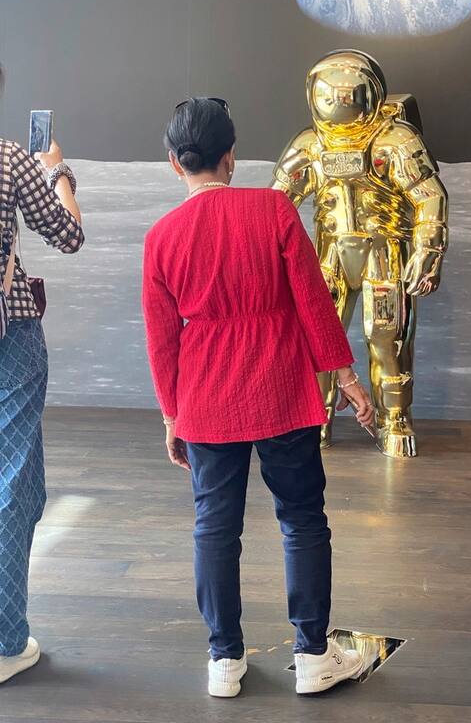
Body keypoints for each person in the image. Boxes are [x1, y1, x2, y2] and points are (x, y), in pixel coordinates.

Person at [142, 98, 375, 698]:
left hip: (205, 397)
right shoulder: (272, 208)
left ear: (174, 162)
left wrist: (173, 414)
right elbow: (313, 304)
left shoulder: (161, 236)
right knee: (301, 519)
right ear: (231, 156)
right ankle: (314, 656)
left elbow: (162, 339)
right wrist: (348, 380)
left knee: (213, 528)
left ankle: (224, 662)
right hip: (282, 390)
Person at [0, 139, 83, 684]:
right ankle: (5, 641)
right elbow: (68, 234)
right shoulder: (10, 158)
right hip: (11, 334)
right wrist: (58, 172)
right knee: (12, 479)